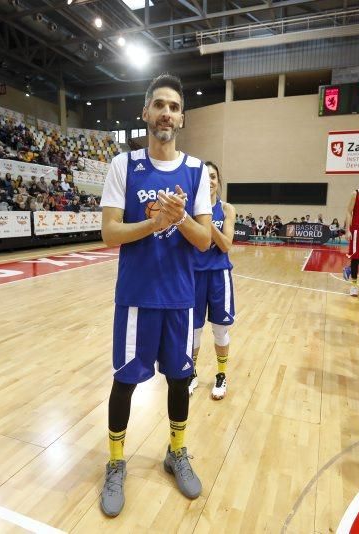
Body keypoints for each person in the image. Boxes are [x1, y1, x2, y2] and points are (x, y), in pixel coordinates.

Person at [98, 73, 212, 517]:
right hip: (136, 296)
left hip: (180, 297)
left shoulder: (198, 170)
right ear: (145, 113)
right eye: (159, 105)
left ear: (182, 118)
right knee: (124, 381)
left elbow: (204, 240)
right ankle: (114, 462)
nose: (167, 113)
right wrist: (155, 222)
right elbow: (110, 233)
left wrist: (180, 218)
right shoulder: (123, 166)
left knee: (180, 379)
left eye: (174, 106)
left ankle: (176, 451)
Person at [190, 161, 235, 400]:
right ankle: (192, 373)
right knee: (194, 331)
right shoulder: (190, 210)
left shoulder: (227, 209)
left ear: (218, 181)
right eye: (205, 177)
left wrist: (206, 221)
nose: (209, 181)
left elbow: (226, 244)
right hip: (194, 275)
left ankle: (221, 374)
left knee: (220, 330)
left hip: (219, 275)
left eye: (214, 177)